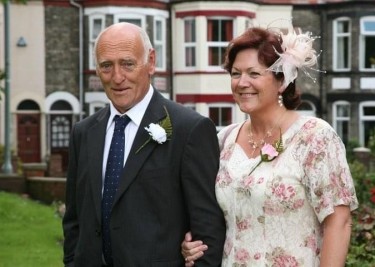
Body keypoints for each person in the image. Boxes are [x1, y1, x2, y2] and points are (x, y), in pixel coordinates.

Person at [181, 23, 359, 266]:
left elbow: (339, 222)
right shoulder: (223, 140)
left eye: (254, 74)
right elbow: (211, 218)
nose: (242, 82)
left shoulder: (314, 137)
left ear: (282, 82)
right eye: (235, 73)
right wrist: (192, 244)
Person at [62, 22, 226, 267]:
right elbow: (75, 218)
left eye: (127, 64)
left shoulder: (189, 130)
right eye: (107, 66)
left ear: (151, 61)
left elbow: (208, 231)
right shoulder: (83, 132)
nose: (117, 77)